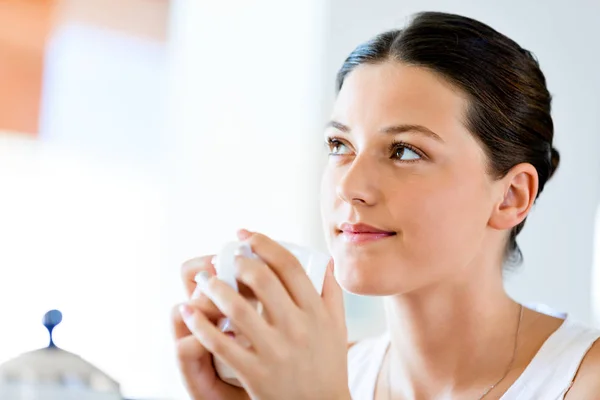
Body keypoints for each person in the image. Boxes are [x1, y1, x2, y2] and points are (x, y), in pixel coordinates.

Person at [171, 11, 600, 399]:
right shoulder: (315, 378)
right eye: (339, 145)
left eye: (405, 151)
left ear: (511, 196)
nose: (350, 186)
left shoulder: (584, 381)